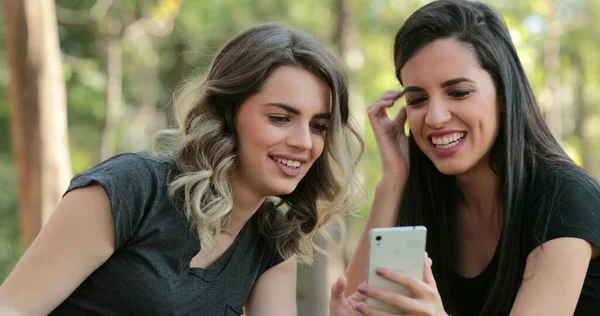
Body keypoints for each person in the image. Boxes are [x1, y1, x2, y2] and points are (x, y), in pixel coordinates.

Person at [0, 22, 364, 315]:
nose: (304, 141)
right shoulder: (132, 188)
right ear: (228, 113)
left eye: (318, 126)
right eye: (280, 117)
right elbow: (13, 307)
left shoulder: (270, 243)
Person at [329, 1, 600, 315]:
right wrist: (393, 180)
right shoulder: (428, 197)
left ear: (503, 91)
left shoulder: (566, 198)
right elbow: (350, 305)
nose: (435, 117)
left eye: (458, 92)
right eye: (417, 99)